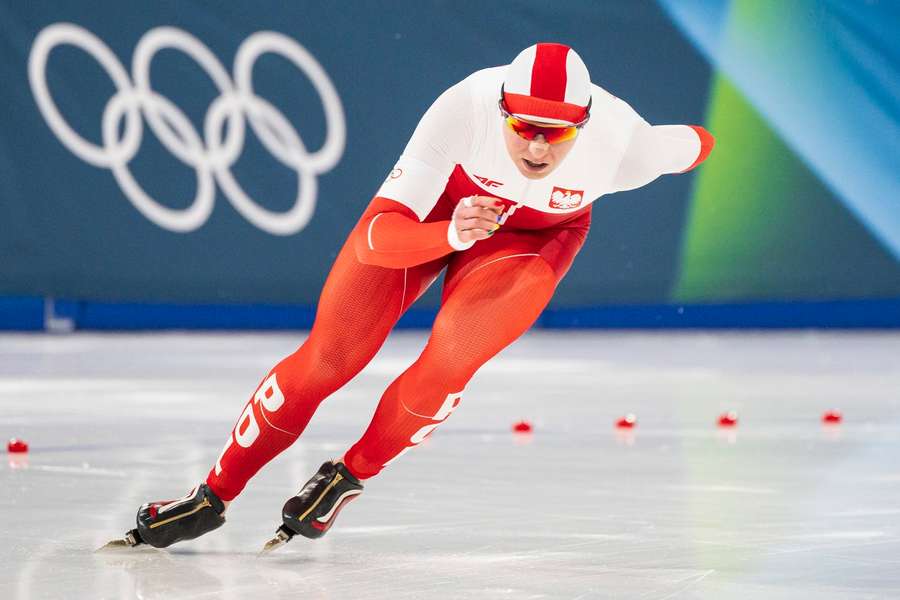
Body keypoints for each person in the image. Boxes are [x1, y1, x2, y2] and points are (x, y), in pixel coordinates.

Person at [104, 42, 714, 552]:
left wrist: (699, 143)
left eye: (555, 135)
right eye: (524, 127)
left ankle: (349, 474)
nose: (536, 147)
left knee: (452, 354)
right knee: (329, 358)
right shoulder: (463, 108)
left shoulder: (627, 146)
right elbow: (375, 239)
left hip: (534, 240)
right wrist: (450, 231)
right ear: (502, 111)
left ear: (584, 125)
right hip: (440, 211)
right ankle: (211, 496)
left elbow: (695, 143)